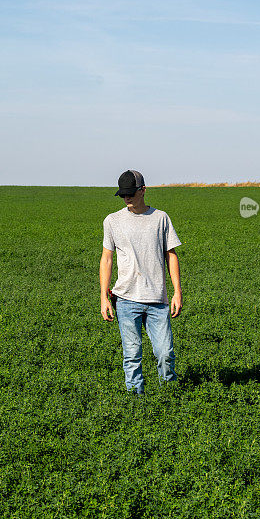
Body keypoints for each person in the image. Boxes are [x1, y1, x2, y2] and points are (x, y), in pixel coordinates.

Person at [100, 169, 183, 396]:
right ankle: (136, 403)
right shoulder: (113, 221)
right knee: (132, 354)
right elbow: (107, 258)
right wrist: (103, 298)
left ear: (143, 190)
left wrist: (177, 292)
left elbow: (171, 255)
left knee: (165, 353)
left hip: (157, 299)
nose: (127, 198)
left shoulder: (160, 218)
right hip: (125, 299)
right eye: (123, 194)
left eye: (131, 193)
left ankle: (169, 395)